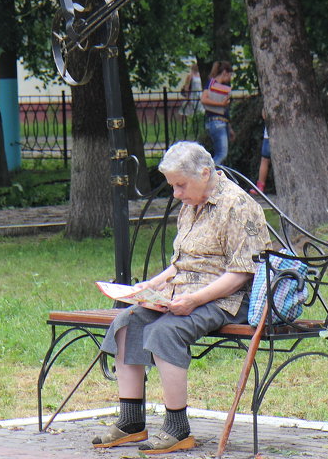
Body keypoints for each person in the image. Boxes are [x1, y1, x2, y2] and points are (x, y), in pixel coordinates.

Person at [94, 141, 269, 454]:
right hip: (181, 294)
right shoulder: (192, 203)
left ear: (205, 173)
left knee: (165, 331)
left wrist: (194, 300)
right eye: (173, 185)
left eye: (180, 185)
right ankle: (131, 422)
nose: (176, 194)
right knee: (126, 323)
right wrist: (147, 287)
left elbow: (242, 273)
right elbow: (180, 263)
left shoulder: (239, 206)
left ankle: (177, 429)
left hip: (224, 300)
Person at [200, 61, 233, 164]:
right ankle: (207, 174)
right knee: (222, 154)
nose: (230, 78)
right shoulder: (211, 83)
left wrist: (230, 127)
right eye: (230, 75)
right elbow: (204, 99)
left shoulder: (221, 87)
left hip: (222, 122)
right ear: (224, 72)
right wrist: (221, 104)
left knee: (221, 154)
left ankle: (215, 177)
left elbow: (225, 111)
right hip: (216, 122)